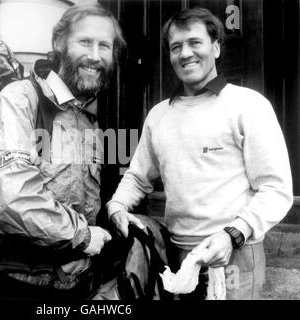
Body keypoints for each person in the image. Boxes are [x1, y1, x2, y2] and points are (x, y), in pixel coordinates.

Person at [107, 7, 293, 300]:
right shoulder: (159, 115)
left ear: (216, 47)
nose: (185, 54)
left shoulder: (248, 105)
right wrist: (117, 206)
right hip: (176, 253)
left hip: (235, 254)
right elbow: (138, 175)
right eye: (176, 47)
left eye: (195, 43)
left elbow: (276, 188)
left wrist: (232, 235)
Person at [0, 4, 126, 300]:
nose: (95, 55)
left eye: (104, 46)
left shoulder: (88, 118)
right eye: (85, 42)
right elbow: (9, 196)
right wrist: (82, 234)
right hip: (10, 285)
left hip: (69, 285)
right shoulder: (20, 98)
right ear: (59, 44)